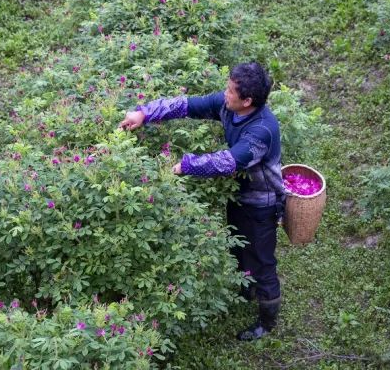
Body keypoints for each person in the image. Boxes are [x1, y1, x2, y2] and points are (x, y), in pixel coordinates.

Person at [120, 62, 285, 342]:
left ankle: (267, 322)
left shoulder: (262, 130)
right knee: (239, 245)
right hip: (240, 196)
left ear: (247, 101)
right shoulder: (227, 106)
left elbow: (228, 162)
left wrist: (186, 165)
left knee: (262, 261)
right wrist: (144, 113)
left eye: (230, 91)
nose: (224, 93)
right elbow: (185, 105)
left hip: (263, 202)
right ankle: (246, 289)